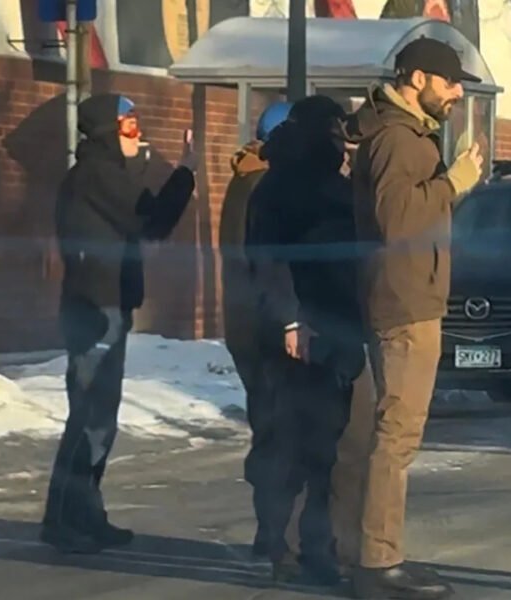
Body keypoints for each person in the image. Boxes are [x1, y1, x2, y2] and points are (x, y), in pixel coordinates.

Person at [349, 37, 483, 600]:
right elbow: (396, 218)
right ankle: (377, 564)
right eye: (450, 82)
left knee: (394, 433)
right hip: (404, 305)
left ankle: (377, 553)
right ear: (418, 78)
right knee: (396, 435)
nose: (456, 94)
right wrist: (453, 183)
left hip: (406, 298)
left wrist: (448, 186)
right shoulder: (398, 139)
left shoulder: (403, 134)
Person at [43, 94, 196, 554]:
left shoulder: (105, 175)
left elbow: (144, 221)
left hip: (106, 307)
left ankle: (86, 513)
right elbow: (150, 218)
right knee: (88, 417)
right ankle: (63, 519)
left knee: (100, 421)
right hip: (93, 311)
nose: (138, 132)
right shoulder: (96, 174)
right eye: (129, 124)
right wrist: (185, 172)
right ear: (108, 131)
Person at [244, 95, 367, 586]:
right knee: (307, 442)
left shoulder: (306, 181)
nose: (343, 141)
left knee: (311, 440)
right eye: (338, 131)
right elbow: (268, 259)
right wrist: (290, 321)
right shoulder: (291, 185)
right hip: (308, 330)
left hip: (327, 325)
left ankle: (298, 545)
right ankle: (297, 549)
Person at [219, 100, 291, 557]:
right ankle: (278, 534)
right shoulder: (266, 186)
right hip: (270, 325)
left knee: (268, 426)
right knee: (281, 431)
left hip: (247, 322)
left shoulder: (245, 178)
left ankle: (272, 530)